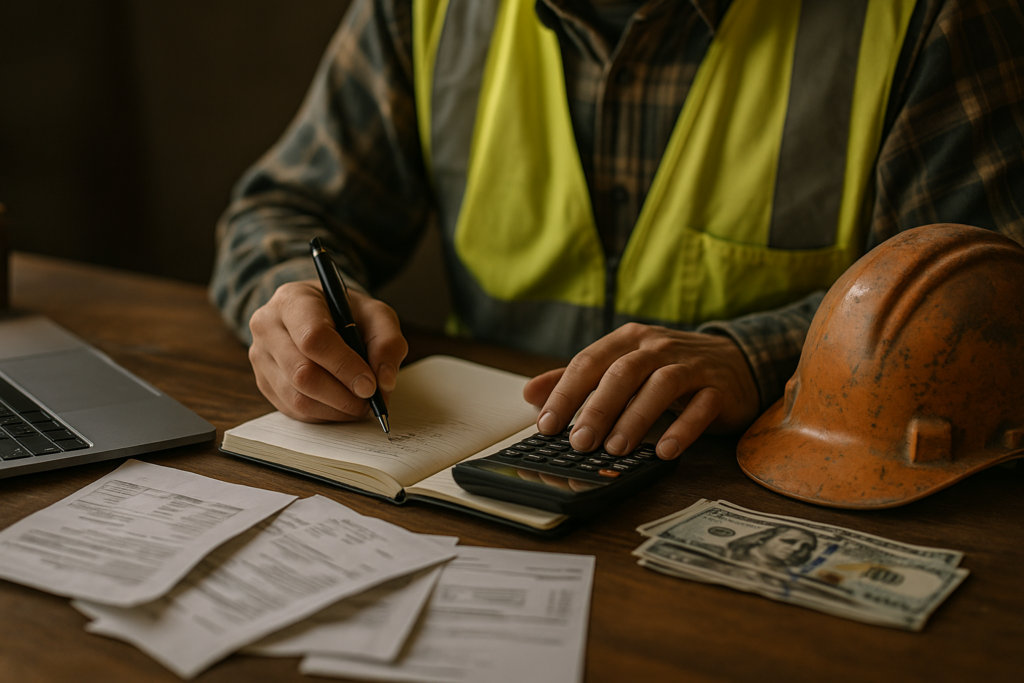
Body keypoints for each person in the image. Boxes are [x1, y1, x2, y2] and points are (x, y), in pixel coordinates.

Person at [211, 0, 1024, 460]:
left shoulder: (927, 17)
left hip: (771, 479)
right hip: (475, 495)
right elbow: (283, 214)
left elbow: (993, 305)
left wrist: (759, 355)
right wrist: (295, 308)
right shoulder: (422, 11)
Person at [725, 526, 818, 571]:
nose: (796, 548)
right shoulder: (725, 553)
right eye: (789, 541)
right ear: (763, 538)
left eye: (805, 547)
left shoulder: (790, 577)